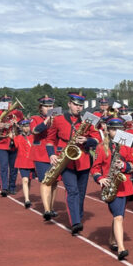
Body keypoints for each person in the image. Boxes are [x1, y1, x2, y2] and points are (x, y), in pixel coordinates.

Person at [46, 91, 100, 235]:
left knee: (81, 193)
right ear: (69, 103)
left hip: (83, 160)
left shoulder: (88, 120)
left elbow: (97, 138)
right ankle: (75, 222)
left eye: (81, 105)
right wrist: (51, 155)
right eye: (76, 105)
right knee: (73, 191)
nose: (78, 108)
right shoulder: (58, 119)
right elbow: (50, 140)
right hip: (65, 161)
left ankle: (78, 216)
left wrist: (86, 140)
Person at [91, 118, 133, 261]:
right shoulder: (101, 147)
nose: (116, 132)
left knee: (119, 216)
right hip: (110, 186)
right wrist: (100, 179)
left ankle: (112, 239)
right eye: (113, 129)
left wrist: (124, 165)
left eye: (119, 129)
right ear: (108, 130)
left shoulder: (126, 146)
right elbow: (95, 168)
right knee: (118, 217)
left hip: (124, 185)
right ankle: (121, 248)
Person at [0, 95, 24, 197]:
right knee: (3, 166)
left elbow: (25, 127)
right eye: (5, 102)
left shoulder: (18, 113)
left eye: (9, 102)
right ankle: (4, 187)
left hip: (14, 143)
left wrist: (18, 125)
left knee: (14, 167)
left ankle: (12, 186)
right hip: (1, 143)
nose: (8, 104)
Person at [31, 95, 60, 220]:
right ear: (40, 107)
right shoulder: (35, 118)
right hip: (41, 154)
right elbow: (35, 131)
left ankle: (51, 207)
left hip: (55, 153)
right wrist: (46, 120)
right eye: (46, 106)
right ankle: (46, 209)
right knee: (45, 180)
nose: (49, 108)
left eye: (51, 106)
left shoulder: (58, 118)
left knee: (54, 182)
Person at [13, 119, 35, 208]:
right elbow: (15, 146)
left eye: (28, 126)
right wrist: (13, 136)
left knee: (29, 180)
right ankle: (27, 200)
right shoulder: (18, 137)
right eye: (25, 126)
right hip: (22, 161)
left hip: (31, 162)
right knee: (25, 180)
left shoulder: (33, 137)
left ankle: (27, 196)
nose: (27, 128)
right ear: (21, 128)